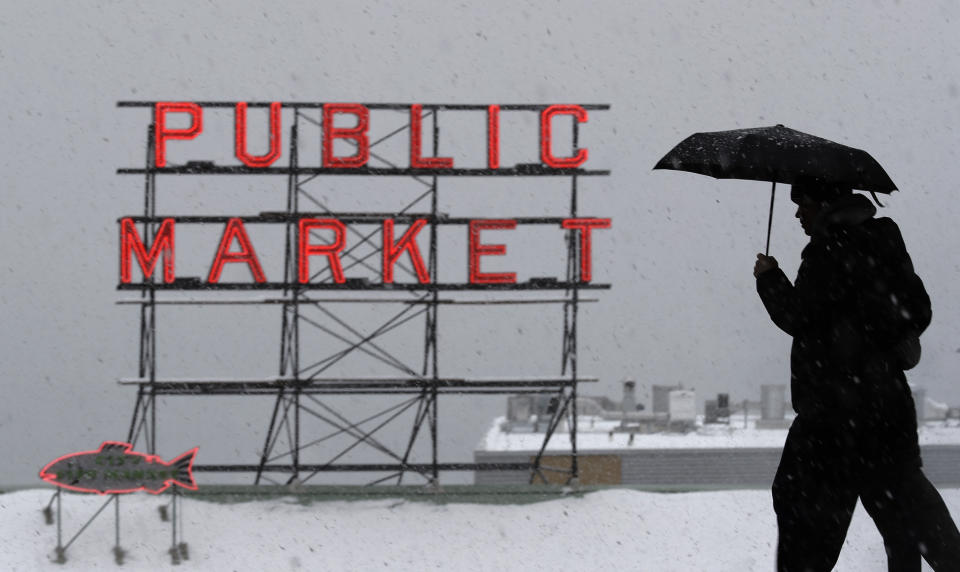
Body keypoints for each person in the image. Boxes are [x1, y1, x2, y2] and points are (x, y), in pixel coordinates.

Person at [753, 178, 960, 571]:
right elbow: (917, 311)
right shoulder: (883, 243)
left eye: (804, 204)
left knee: (803, 509)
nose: (798, 213)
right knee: (906, 515)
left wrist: (769, 277)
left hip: (836, 415)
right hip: (887, 411)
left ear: (826, 205)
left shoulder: (830, 251)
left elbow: (799, 317)